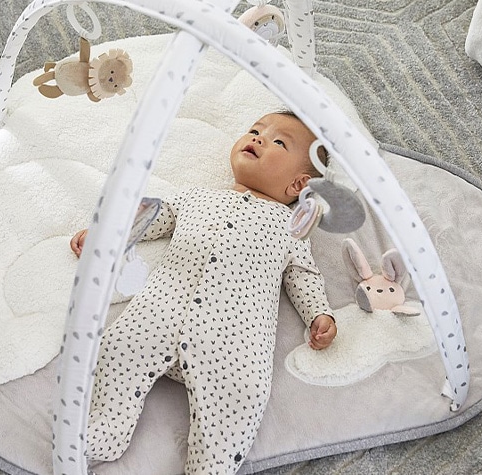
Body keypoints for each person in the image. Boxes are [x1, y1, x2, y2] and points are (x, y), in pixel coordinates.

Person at [70, 111, 337, 474]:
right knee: (118, 348)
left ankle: (210, 467)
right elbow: (156, 217)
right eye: (255, 131)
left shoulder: (289, 227)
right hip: (161, 309)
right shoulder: (198, 196)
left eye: (277, 142)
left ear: (297, 185)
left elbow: (303, 275)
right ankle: (104, 431)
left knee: (244, 395)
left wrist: (319, 314)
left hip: (234, 337)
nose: (257, 138)